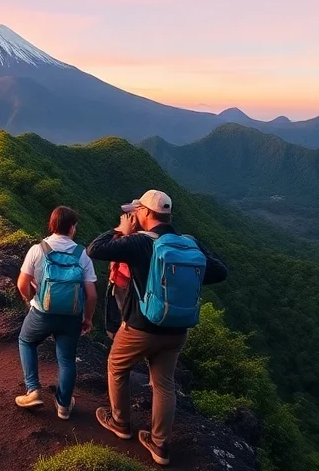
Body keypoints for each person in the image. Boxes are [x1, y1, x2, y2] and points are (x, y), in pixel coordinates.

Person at [88, 190, 228, 466]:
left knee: (117, 367)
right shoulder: (189, 243)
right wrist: (199, 251)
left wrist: (120, 229)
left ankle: (120, 422)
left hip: (141, 327)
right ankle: (160, 445)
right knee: (164, 384)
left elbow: (95, 248)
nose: (134, 214)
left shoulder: (140, 243)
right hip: (177, 330)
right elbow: (220, 271)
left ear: (147, 214)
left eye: (137, 210)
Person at [13, 205, 98, 420]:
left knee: (26, 341)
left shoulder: (37, 250)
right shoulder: (82, 254)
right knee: (67, 359)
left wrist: (30, 299)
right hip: (71, 316)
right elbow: (92, 295)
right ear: (71, 228)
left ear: (52, 226)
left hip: (42, 313)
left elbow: (22, 283)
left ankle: (32, 390)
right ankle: (63, 405)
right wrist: (87, 318)